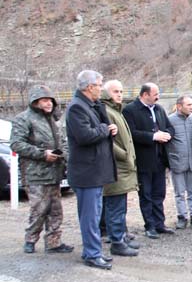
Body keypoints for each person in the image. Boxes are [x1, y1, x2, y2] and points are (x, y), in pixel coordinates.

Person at [10, 85, 73, 255]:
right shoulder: (23, 119)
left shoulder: (54, 120)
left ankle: (53, 242)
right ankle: (30, 239)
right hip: (35, 173)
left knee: (56, 210)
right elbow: (17, 144)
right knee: (39, 209)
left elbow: (63, 143)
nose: (48, 104)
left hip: (55, 172)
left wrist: (65, 156)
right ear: (35, 102)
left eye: (50, 100)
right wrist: (42, 154)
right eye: (44, 100)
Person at [66, 70, 117, 270]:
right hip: (86, 172)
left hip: (95, 171)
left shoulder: (93, 106)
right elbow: (85, 136)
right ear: (89, 87)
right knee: (89, 216)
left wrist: (107, 127)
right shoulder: (77, 108)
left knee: (95, 214)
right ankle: (92, 253)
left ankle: (93, 250)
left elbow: (99, 128)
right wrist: (106, 130)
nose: (101, 88)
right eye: (99, 84)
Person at [123, 83, 175, 239]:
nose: (158, 96)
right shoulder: (130, 110)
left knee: (159, 193)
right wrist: (152, 137)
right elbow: (130, 134)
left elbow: (170, 127)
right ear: (145, 95)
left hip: (160, 158)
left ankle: (160, 224)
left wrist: (166, 134)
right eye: (155, 94)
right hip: (143, 160)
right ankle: (149, 225)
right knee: (146, 195)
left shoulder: (159, 109)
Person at [100, 80, 139, 257]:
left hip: (123, 167)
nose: (119, 95)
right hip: (116, 167)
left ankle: (120, 236)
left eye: (121, 91)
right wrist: (123, 154)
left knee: (120, 205)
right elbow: (107, 140)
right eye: (115, 91)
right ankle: (116, 241)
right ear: (107, 93)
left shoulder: (116, 111)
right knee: (115, 206)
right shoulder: (106, 111)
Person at [167, 95, 192, 230]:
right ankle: (182, 217)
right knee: (179, 193)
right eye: (188, 105)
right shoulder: (169, 120)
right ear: (179, 106)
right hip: (177, 162)